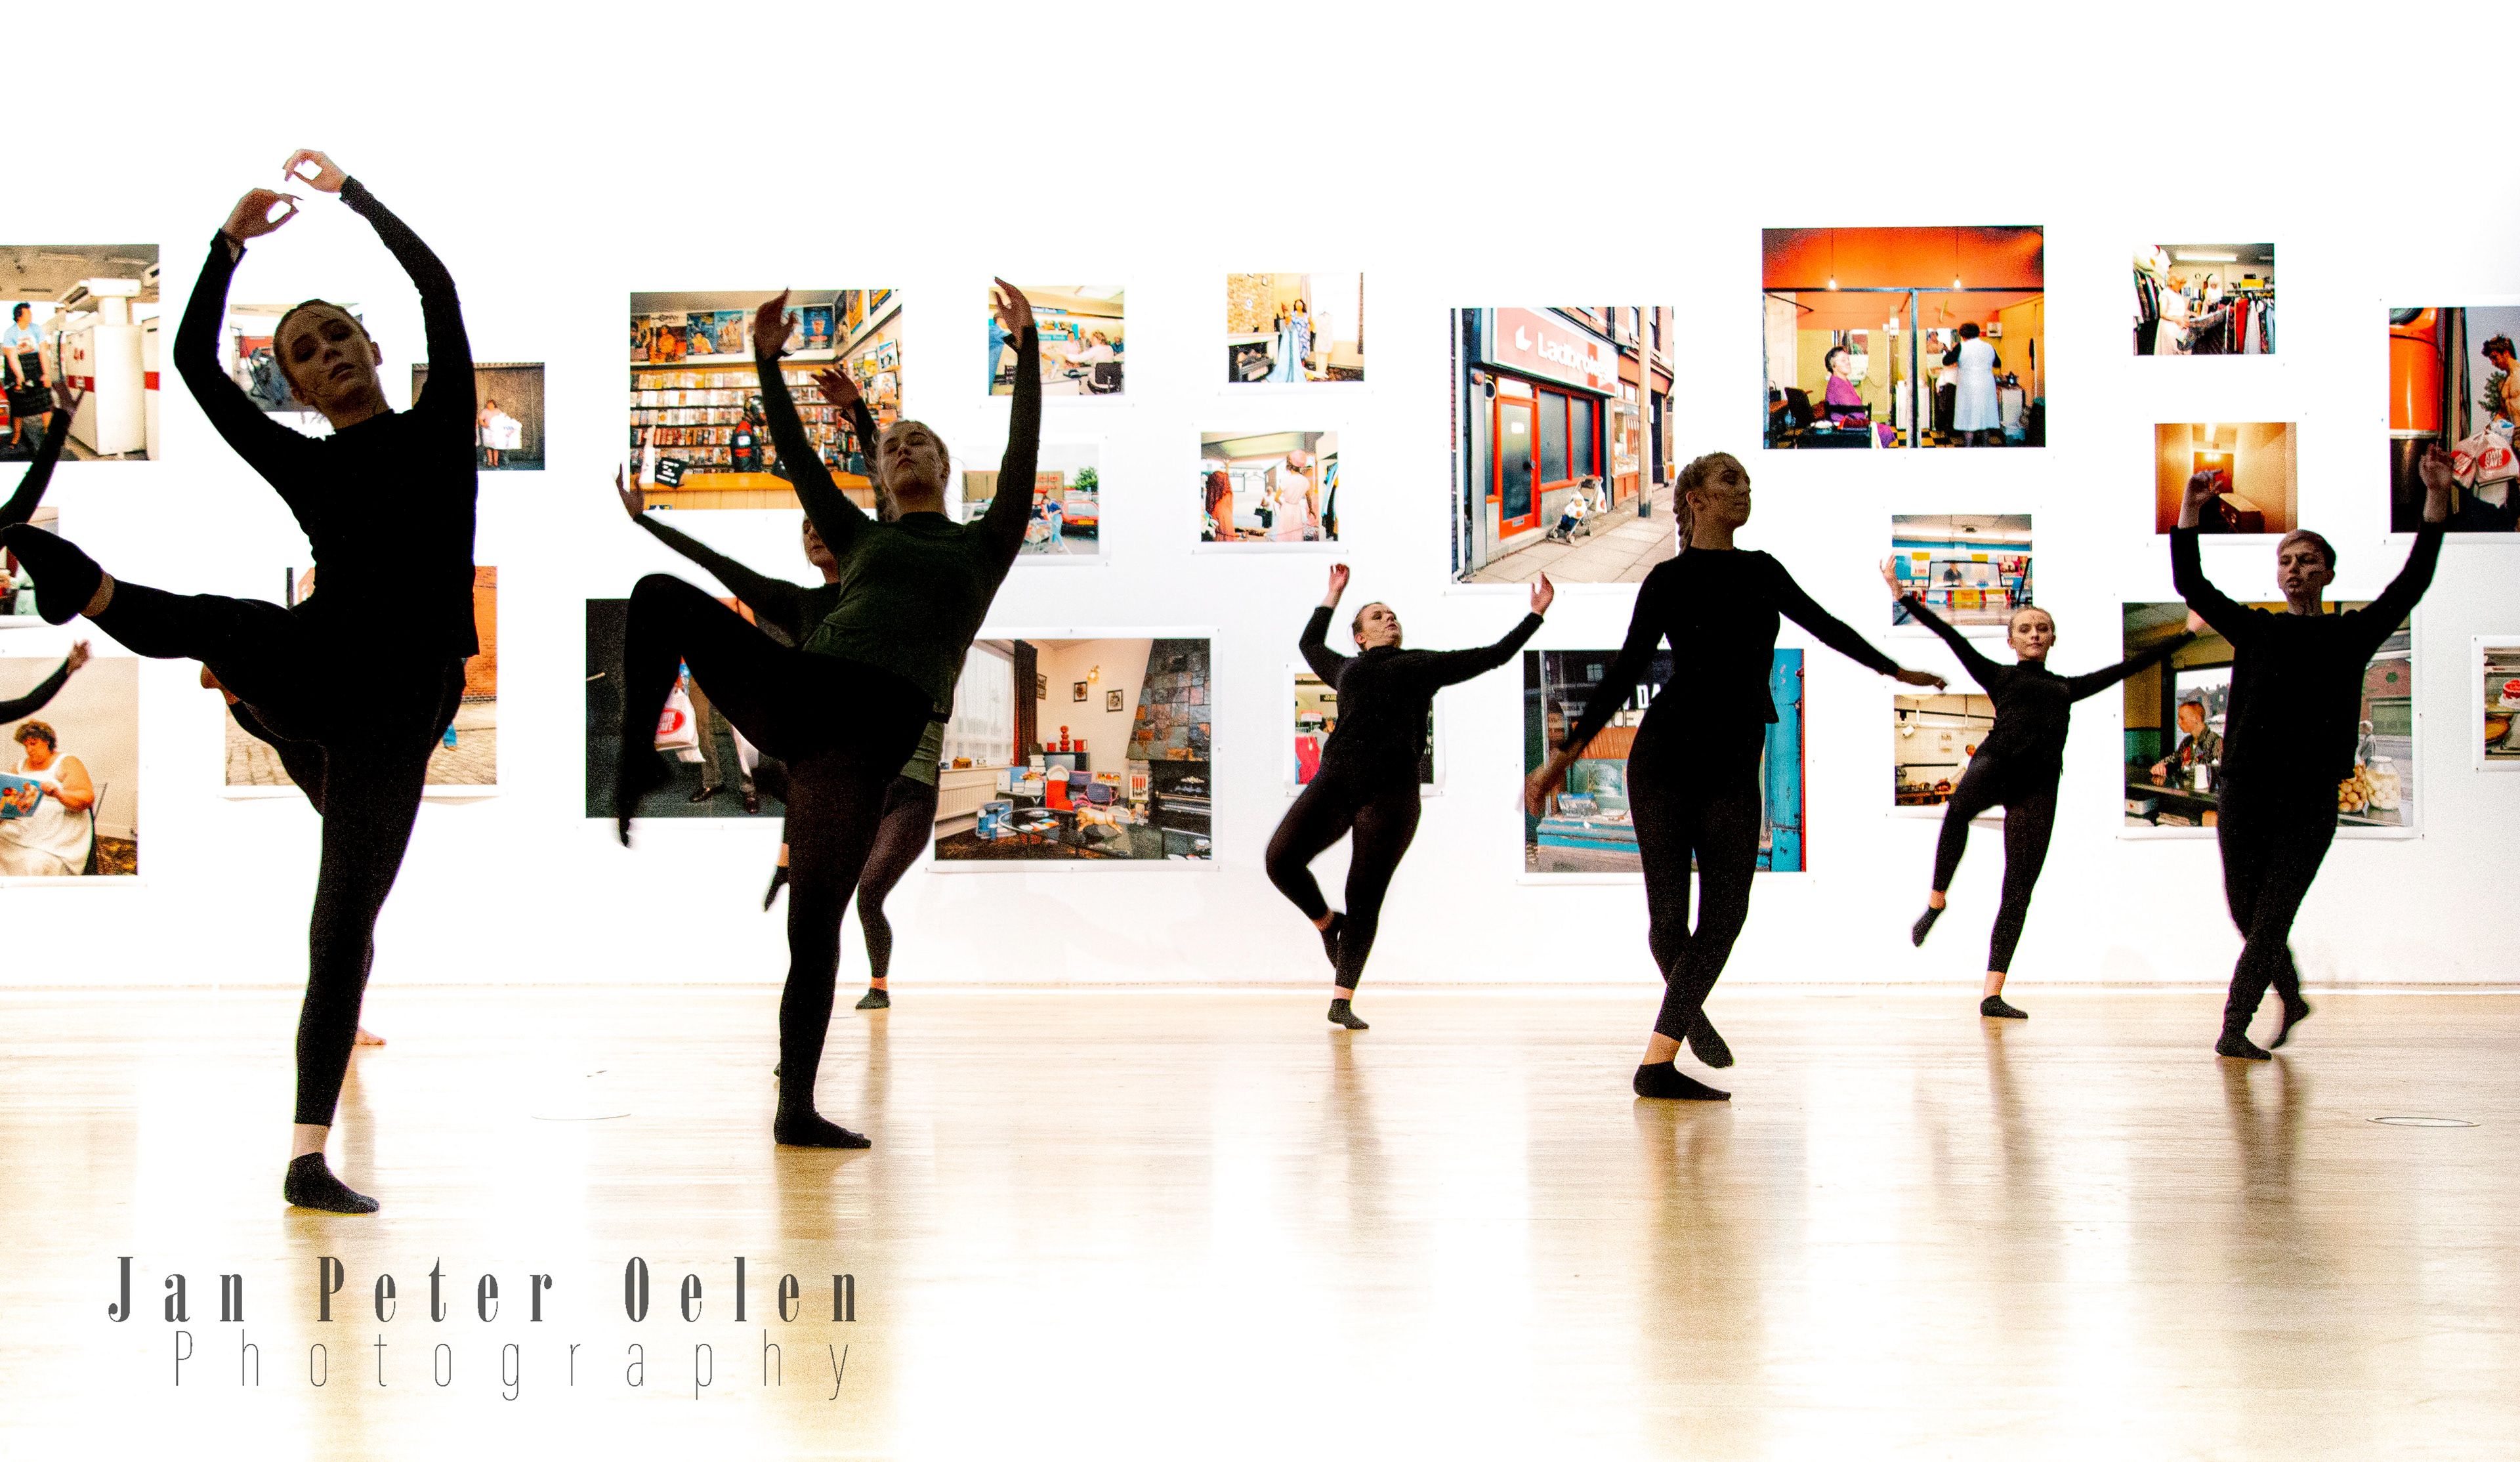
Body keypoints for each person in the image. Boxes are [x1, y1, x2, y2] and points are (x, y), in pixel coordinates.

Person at [0, 150, 474, 1212]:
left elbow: (437, 287)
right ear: (297, 388)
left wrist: (353, 198)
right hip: (322, 658)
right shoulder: (304, 462)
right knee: (234, 624)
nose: (328, 353)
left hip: (401, 703)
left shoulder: (442, 426)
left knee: (341, 921)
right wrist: (224, 246)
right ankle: (90, 589)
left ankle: (308, 1158)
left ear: (371, 348)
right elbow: (195, 364)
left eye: (338, 335)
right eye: (306, 351)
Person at [612, 280, 1040, 1146]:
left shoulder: (984, 543)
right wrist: (765, 362)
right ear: (882, 471)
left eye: (920, 443)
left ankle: (795, 1109)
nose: (906, 449)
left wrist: (1026, 349)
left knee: (813, 931)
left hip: (864, 740)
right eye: (894, 444)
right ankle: (636, 763)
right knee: (657, 594)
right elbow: (802, 463)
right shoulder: (862, 535)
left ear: (941, 469)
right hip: (805, 693)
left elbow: (1023, 451)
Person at [1526, 452, 1946, 1098]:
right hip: (1665, 757)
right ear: (1695, 499)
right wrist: (1563, 758)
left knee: (1726, 912)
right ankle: (1665, 1053)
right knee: (1669, 921)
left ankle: (1672, 1034)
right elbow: (1626, 672)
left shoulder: (1762, 570)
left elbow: (1827, 627)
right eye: (1730, 480)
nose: (1744, 489)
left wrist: (1894, 670)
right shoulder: (1666, 579)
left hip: (1731, 761)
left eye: (1748, 481)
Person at [618, 364, 936, 1014]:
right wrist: (647, 523)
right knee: (811, 925)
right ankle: (797, 1060)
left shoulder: (886, 572)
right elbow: (720, 566)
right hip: (828, 758)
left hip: (890, 761)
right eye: (806, 530)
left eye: (823, 525)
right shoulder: (798, 603)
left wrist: (861, 416)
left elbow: (889, 501)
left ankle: (869, 994)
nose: (815, 532)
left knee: (853, 903)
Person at [2173, 452, 2450, 1059]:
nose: (2294, 568)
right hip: (2245, 788)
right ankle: (2292, 996)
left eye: (2306, 560)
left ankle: (2234, 1027)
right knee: (2245, 910)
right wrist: (2190, 508)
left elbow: (2413, 582)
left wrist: (2435, 499)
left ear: (2328, 573)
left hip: (2310, 796)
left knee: (2273, 914)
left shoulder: (2351, 634)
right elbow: (2191, 584)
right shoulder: (2256, 629)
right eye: (2286, 560)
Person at [1889, 561, 2198, 1017]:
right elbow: (1949, 635)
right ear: (2011, 641)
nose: (2035, 634)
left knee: (2018, 889)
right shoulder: (1998, 675)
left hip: (2037, 787)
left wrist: (2187, 634)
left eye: (2043, 629)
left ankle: (1991, 995)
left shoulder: (2066, 687)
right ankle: (1936, 902)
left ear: (2053, 639)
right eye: (2026, 629)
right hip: (1994, 764)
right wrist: (1902, 596)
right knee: (1956, 813)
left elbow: (2130, 665)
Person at [1270, 563, 1552, 1028]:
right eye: (1378, 616)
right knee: (1280, 860)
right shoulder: (1345, 668)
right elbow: (1310, 644)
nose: (1390, 620)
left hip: (1392, 795)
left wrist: (1535, 615)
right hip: (1335, 783)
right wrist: (1333, 593)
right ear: (1360, 636)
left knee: (1364, 895)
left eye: (1393, 616)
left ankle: (1342, 999)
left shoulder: (1420, 665)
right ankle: (1329, 925)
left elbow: (1494, 655)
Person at [0, 715, 97, 875]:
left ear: (47, 741)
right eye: (26, 746)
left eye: (33, 744)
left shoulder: (66, 762)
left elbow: (86, 798)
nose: (29, 750)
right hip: (23, 827)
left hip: (56, 831)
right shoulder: (20, 766)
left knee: (34, 863)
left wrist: (58, 794)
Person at [4, 303, 49, 451]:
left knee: (45, 402)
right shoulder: (10, 333)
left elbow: (43, 352)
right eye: (28, 313)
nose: (31, 315)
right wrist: (20, 378)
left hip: (35, 366)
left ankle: (48, 435)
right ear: (19, 316)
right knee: (18, 406)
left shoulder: (36, 329)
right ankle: (17, 436)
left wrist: (46, 374)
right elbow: (13, 358)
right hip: (17, 367)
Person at [2150, 699, 2221, 788]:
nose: (2178, 722)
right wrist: (2160, 766)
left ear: (2197, 719)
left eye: (2182, 718)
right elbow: (2174, 758)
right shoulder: (2187, 742)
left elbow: (2217, 774)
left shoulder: (2216, 741)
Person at [1950, 324, 2001, 446]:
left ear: (1963, 335)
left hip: (1969, 385)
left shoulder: (1961, 347)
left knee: (1969, 418)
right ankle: (1986, 446)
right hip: (1986, 385)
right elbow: (1998, 363)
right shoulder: (1989, 347)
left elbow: (1946, 361)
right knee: (1985, 416)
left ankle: (1968, 447)